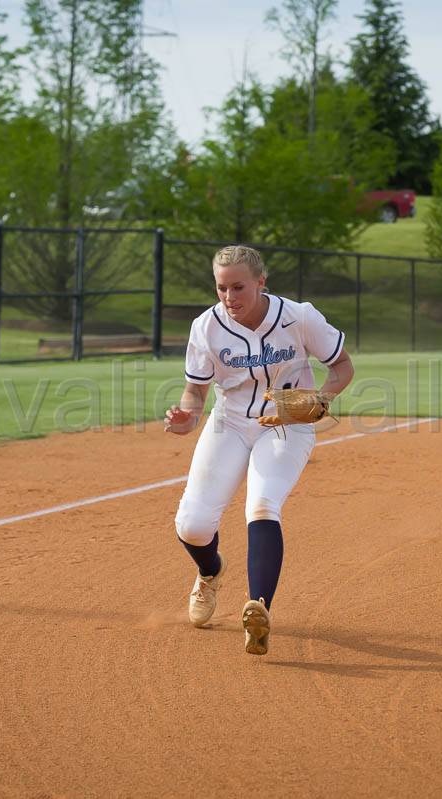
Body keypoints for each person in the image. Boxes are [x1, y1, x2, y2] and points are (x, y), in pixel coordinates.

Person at [163, 245, 354, 655]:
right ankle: (210, 572)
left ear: (261, 281)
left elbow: (342, 367)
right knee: (193, 525)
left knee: (262, 505)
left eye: (238, 287)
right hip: (229, 422)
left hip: (287, 425)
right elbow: (195, 389)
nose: (229, 297)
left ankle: (258, 609)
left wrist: (322, 398)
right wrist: (188, 416)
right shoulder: (206, 327)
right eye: (221, 288)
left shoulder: (298, 317)